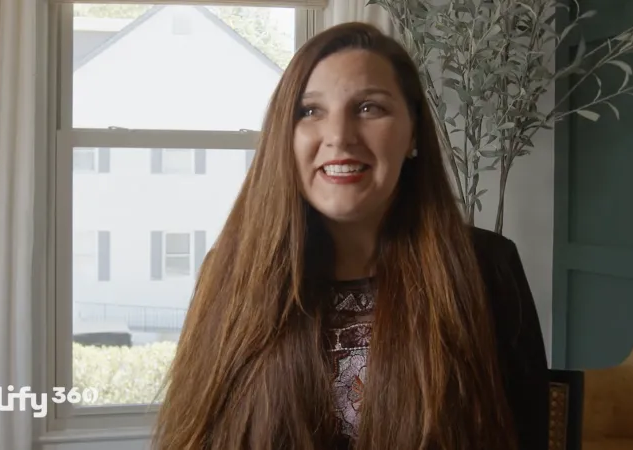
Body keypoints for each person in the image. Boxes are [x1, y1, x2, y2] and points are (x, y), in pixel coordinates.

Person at [152, 21, 549, 450]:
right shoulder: (229, 273)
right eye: (309, 111)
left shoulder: (487, 268)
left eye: (369, 108)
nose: (339, 137)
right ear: (285, 137)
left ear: (413, 132)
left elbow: (524, 435)